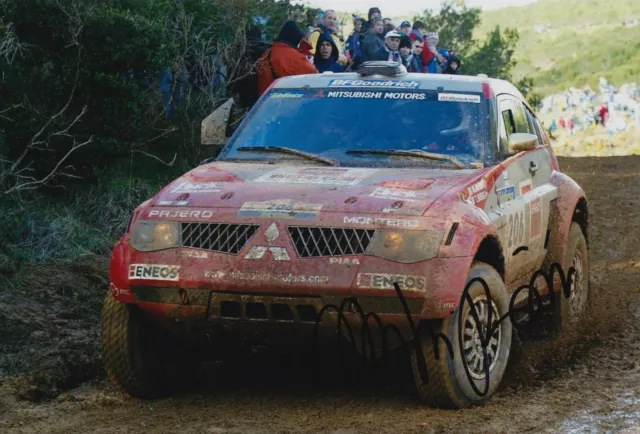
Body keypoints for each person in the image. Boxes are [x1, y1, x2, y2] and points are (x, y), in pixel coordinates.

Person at [257, 20, 318, 96]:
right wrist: (310, 63)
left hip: (264, 100)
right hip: (283, 100)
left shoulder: (267, 52)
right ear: (296, 39)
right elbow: (314, 74)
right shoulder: (294, 56)